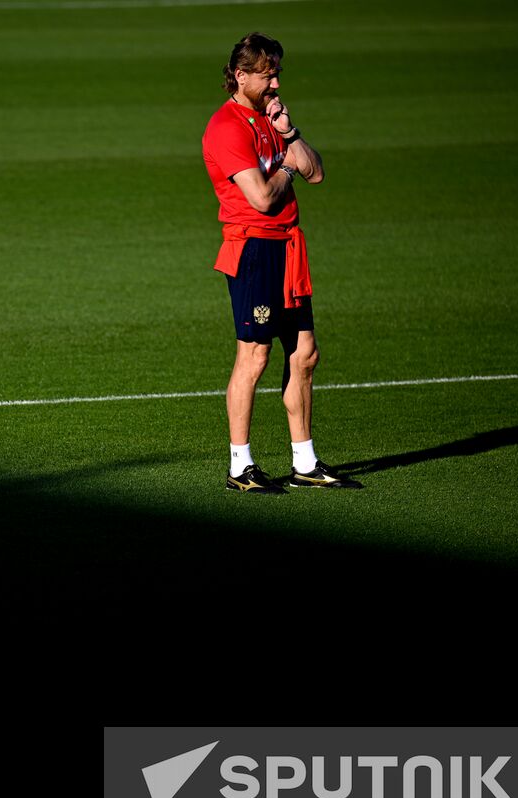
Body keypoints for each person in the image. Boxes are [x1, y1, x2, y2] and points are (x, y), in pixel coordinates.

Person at [201, 32, 361, 493]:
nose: (274, 84)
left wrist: (290, 134)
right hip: (254, 249)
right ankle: (240, 467)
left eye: (277, 74)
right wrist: (288, 167)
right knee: (255, 356)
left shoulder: (271, 119)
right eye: (266, 75)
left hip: (289, 249)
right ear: (239, 75)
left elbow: (318, 171)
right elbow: (264, 199)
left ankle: (305, 462)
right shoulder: (227, 127)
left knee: (305, 355)